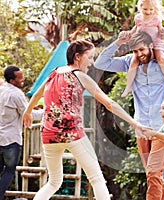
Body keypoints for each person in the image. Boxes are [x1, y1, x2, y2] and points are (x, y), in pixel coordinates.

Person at [22, 39, 146, 200]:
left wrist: (27, 111)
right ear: (78, 57)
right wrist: (134, 123)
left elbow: (39, 93)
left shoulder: (54, 72)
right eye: (90, 57)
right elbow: (109, 103)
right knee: (96, 178)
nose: (92, 61)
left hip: (48, 134)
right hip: (71, 133)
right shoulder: (79, 75)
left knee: (53, 182)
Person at [94, 30, 164, 200]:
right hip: (141, 127)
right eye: (135, 51)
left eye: (142, 49)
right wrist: (118, 43)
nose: (139, 54)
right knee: (153, 175)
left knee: (154, 174)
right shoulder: (129, 63)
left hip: (162, 128)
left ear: (150, 46)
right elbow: (100, 62)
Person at [0, 66, 43, 200]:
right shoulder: (16, 94)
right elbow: (29, 115)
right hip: (11, 140)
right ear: (12, 80)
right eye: (20, 77)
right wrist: (46, 111)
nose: (23, 79)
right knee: (9, 170)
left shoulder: (1, 90)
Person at [120, 0, 164, 97]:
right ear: (140, 7)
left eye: (151, 9)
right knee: (133, 62)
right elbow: (136, 28)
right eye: (145, 9)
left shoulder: (156, 19)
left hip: (156, 42)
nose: (148, 12)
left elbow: (161, 29)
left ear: (154, 9)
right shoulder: (138, 18)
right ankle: (128, 86)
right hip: (142, 43)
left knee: (161, 58)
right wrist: (129, 34)